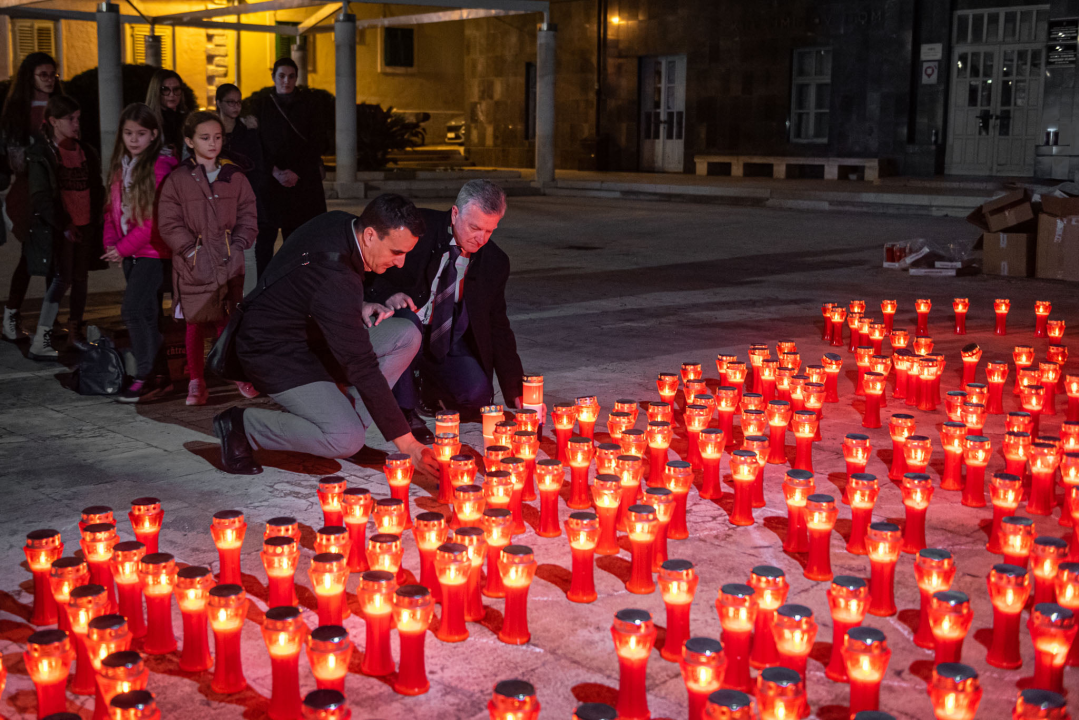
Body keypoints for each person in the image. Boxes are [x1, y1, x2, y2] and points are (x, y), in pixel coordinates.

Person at [214, 194, 437, 477]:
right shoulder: (335, 279)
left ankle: (347, 423)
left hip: (310, 335)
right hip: (273, 351)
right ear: (369, 235)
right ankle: (241, 425)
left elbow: (310, 287)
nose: (401, 263)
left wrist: (359, 304)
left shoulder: (341, 223)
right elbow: (361, 366)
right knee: (344, 438)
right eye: (396, 252)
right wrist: (408, 444)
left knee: (405, 334)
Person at [365, 180, 525, 442]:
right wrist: (387, 295)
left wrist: (515, 386)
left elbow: (498, 325)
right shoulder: (418, 230)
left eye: (489, 230)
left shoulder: (494, 261)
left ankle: (427, 386)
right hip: (404, 324)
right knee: (407, 320)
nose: (481, 238)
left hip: (446, 336)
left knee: (477, 396)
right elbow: (368, 266)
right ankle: (405, 409)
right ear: (454, 213)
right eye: (474, 227)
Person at [157, 110, 259, 406]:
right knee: (195, 322)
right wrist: (191, 250)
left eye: (217, 137)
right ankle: (196, 382)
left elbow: (248, 213)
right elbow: (169, 221)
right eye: (205, 138)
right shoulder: (178, 179)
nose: (213, 143)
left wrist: (239, 242)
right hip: (194, 265)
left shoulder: (234, 175)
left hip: (229, 261)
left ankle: (236, 374)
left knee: (228, 321)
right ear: (189, 141)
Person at [101, 103, 178, 403]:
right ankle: (162, 378)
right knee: (147, 314)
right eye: (128, 133)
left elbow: (151, 221)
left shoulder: (158, 167)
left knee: (132, 311)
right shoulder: (121, 165)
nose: (134, 139)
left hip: (152, 252)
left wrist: (122, 248)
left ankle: (145, 375)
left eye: (141, 133)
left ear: (154, 135)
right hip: (130, 254)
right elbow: (111, 210)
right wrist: (112, 243)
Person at [24, 95, 105, 358]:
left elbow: (95, 186)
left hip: (85, 225)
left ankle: (74, 333)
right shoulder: (44, 154)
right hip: (62, 229)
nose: (76, 123)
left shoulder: (85, 151)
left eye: (78, 118)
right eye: (70, 119)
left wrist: (96, 218)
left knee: (80, 279)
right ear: (53, 121)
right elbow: (41, 197)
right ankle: (42, 336)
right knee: (62, 278)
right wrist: (64, 224)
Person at [2, 52, 62, 341]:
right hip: (28, 189)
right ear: (31, 77)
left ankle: (47, 323)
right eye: (44, 75)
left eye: (53, 75)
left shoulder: (61, 105)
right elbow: (14, 158)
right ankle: (11, 314)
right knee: (30, 255)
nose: (50, 80)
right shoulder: (18, 109)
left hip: (58, 186)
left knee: (58, 257)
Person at [250, 57, 327, 278]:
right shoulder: (262, 105)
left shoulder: (309, 105)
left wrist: (297, 173)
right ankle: (263, 287)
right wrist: (275, 171)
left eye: (291, 76)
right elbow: (257, 144)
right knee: (265, 239)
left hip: (302, 185)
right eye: (282, 76)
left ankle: (294, 284)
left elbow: (317, 142)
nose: (286, 80)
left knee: (298, 239)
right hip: (271, 184)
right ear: (273, 76)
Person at [215, 83, 273, 265]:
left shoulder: (247, 130)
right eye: (230, 102)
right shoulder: (211, 131)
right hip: (218, 197)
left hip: (244, 196)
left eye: (238, 103)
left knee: (246, 250)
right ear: (219, 103)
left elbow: (257, 164)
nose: (235, 107)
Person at [145, 69, 187, 158]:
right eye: (165, 89)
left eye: (176, 89)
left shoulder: (187, 119)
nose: (172, 95)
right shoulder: (147, 120)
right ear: (156, 91)